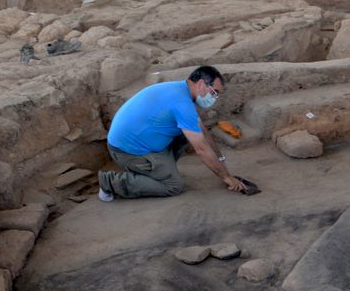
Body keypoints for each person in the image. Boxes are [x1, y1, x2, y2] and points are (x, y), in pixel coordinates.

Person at [97, 66, 250, 201]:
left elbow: (201, 131)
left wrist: (219, 158)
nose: (214, 97)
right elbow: (201, 148)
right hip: (128, 152)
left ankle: (157, 171)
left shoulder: (179, 90)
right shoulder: (182, 104)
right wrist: (227, 177)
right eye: (214, 92)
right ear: (201, 84)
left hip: (134, 141)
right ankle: (110, 183)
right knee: (173, 186)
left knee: (189, 133)